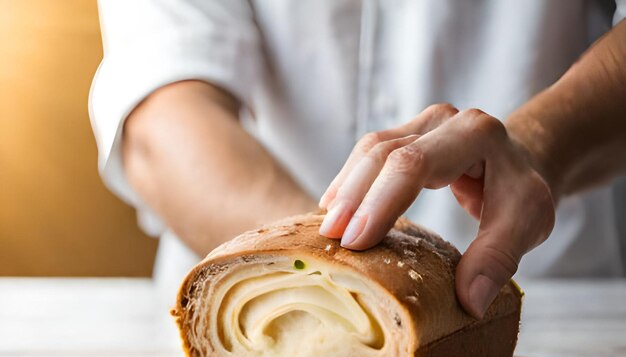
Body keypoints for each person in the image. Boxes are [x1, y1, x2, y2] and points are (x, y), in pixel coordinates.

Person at [90, 0, 626, 318]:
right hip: (243, 303)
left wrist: (533, 145)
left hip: (556, 311)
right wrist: (335, 274)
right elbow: (162, 114)